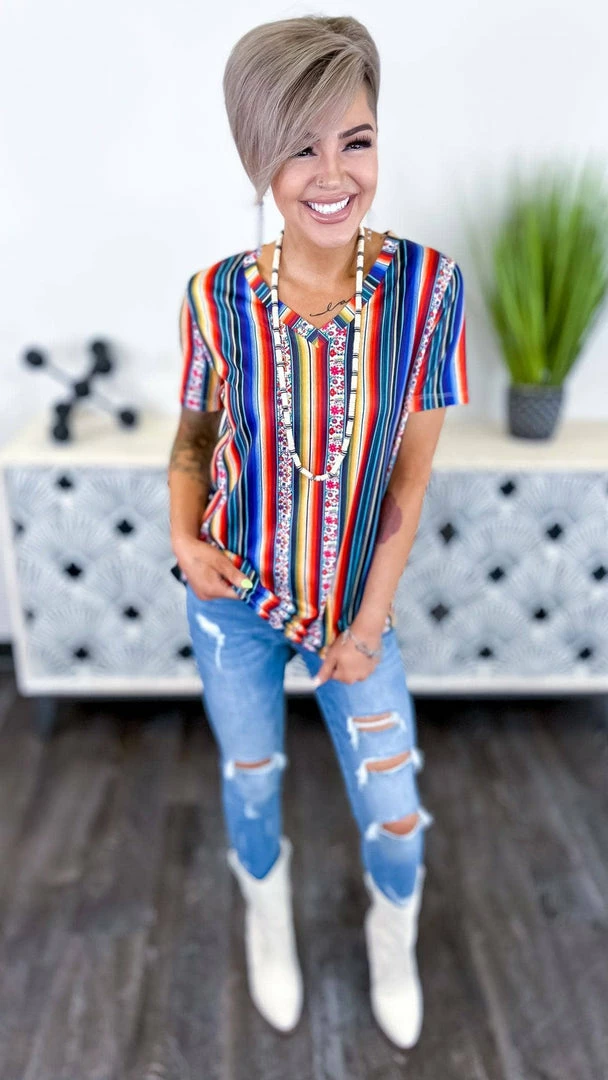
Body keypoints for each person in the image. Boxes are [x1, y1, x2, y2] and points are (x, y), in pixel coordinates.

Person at [167, 14, 469, 1050]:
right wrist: (187, 545)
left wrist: (369, 621)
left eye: (356, 140)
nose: (332, 174)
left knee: (393, 804)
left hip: (353, 611)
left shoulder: (427, 290)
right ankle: (267, 918)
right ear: (257, 155)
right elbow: (192, 441)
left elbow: (409, 477)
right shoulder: (214, 297)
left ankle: (393, 941)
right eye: (299, 146)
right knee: (250, 776)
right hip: (232, 603)